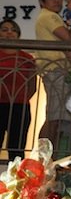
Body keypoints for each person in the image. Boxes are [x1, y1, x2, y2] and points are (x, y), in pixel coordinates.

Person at [34, 0, 71, 147]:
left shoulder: (51, 16)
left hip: (58, 71)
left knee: (57, 118)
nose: (56, 1)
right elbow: (69, 38)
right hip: (55, 70)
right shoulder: (48, 16)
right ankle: (42, 159)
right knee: (54, 117)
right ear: (42, 1)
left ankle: (48, 158)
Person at [0, 20, 37, 161]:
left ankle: (16, 180)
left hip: (20, 107)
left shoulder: (27, 58)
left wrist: (22, 98)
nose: (9, 32)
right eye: (4, 29)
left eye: (13, 30)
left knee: (17, 147)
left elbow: (32, 85)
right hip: (0, 104)